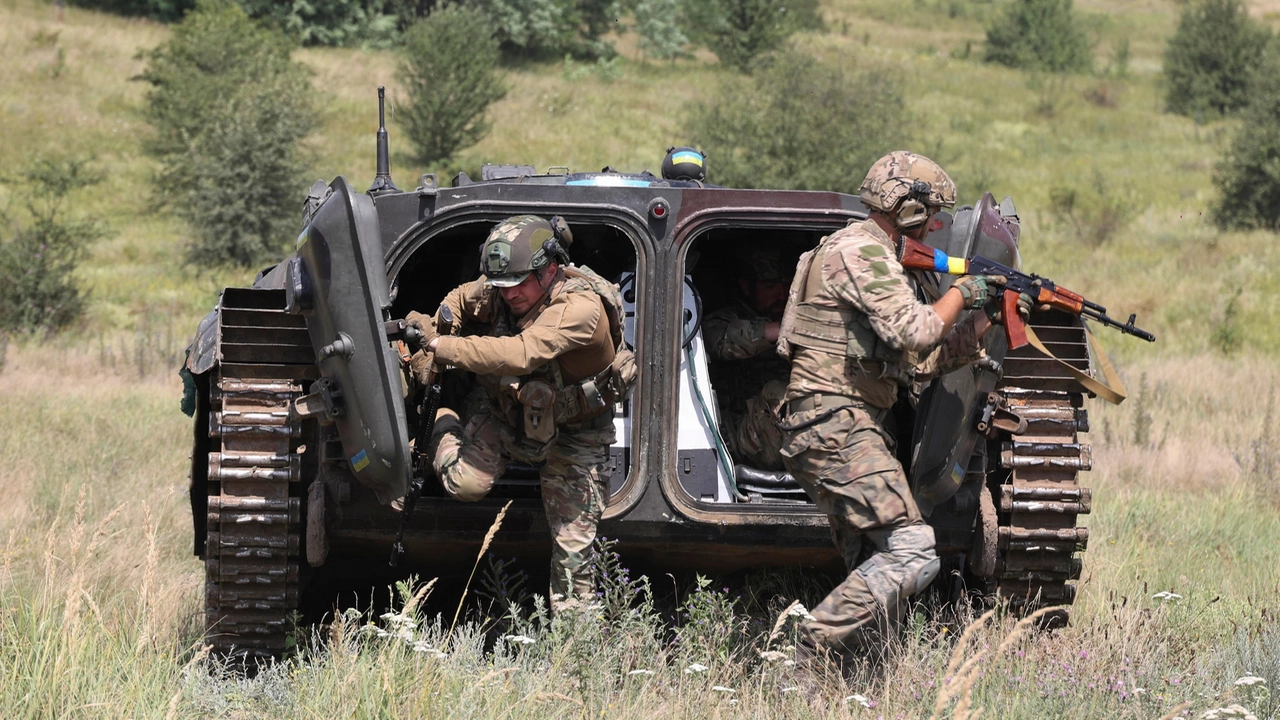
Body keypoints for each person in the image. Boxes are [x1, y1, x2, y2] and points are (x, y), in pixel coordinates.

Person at [775, 151, 1032, 670]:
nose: (937, 223)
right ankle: (805, 646)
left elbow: (921, 361)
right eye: (931, 211)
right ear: (905, 207)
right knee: (913, 551)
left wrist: (987, 321)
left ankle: (843, 685)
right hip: (834, 421)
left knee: (876, 566)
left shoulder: (880, 256)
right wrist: (962, 292)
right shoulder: (859, 250)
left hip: (848, 422)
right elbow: (914, 330)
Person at [406, 215, 632, 611]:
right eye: (501, 286)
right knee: (464, 484)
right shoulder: (507, 285)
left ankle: (574, 651)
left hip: (575, 433)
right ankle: (440, 419)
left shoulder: (581, 308)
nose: (508, 296)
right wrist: (445, 322)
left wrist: (441, 346)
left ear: (549, 270)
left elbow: (521, 352)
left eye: (517, 286)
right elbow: (461, 296)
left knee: (574, 556)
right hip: (507, 412)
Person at [701, 245, 791, 472]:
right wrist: (782, 331)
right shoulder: (722, 320)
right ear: (746, 287)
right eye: (770, 287)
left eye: (786, 286)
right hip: (742, 435)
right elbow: (721, 341)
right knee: (778, 393)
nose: (781, 294)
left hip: (789, 431)